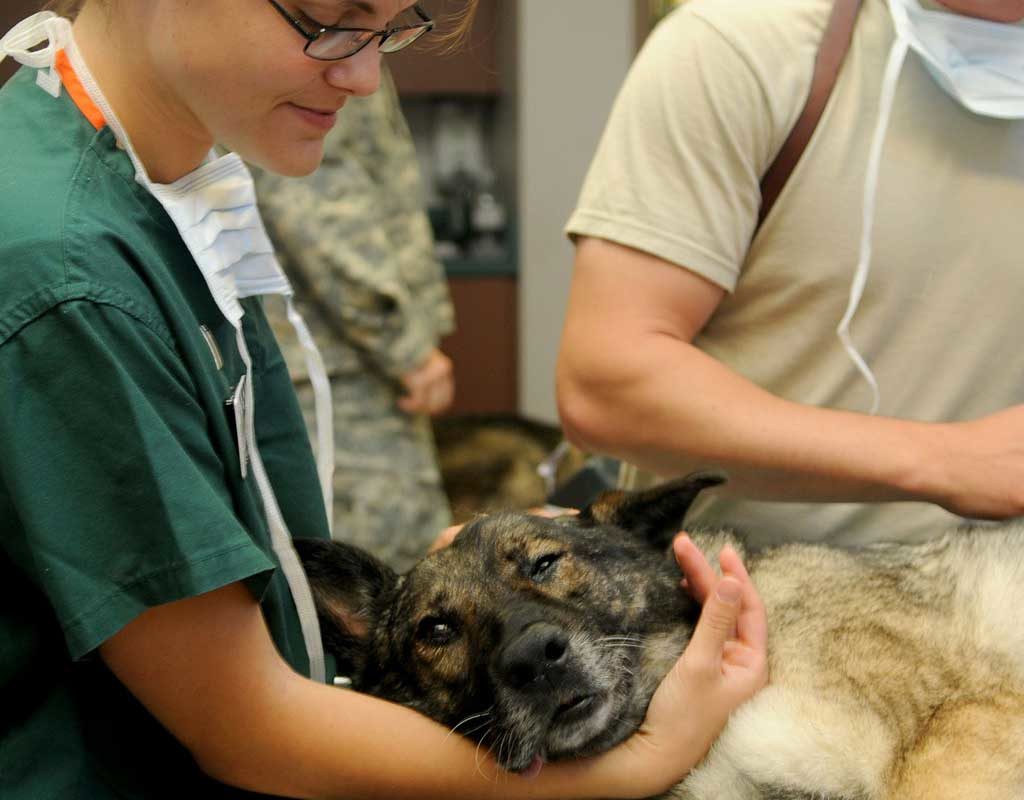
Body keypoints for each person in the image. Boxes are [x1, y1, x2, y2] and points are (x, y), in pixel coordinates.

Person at [0, 2, 767, 798]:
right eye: (328, 20)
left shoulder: (160, 196)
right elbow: (247, 727)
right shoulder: (67, 275)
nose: (365, 77)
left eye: (393, 30)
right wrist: (638, 763)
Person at [559, 0, 1024, 549]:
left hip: (1000, 600)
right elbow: (605, 386)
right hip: (758, 607)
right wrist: (948, 461)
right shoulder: (741, 49)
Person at [253, 65, 455, 572]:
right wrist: (405, 347)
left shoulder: (335, 36)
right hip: (340, 371)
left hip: (331, 360)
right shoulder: (329, 37)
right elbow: (319, 207)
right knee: (386, 585)